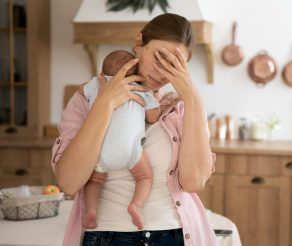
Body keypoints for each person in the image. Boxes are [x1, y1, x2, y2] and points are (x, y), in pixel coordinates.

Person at [51, 13, 218, 245]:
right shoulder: (86, 99)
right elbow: (69, 182)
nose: (162, 73)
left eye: (175, 66)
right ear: (138, 43)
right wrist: (105, 104)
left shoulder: (180, 108)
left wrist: (192, 97)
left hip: (175, 235)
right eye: (159, 59)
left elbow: (194, 181)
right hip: (105, 236)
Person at [79, 50, 160, 230]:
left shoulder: (96, 84)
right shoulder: (141, 90)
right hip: (129, 149)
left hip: (99, 148)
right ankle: (135, 205)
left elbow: (80, 91)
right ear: (136, 74)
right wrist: (154, 99)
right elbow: (153, 117)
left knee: (94, 180)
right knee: (144, 176)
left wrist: (95, 83)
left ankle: (90, 211)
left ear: (102, 73)